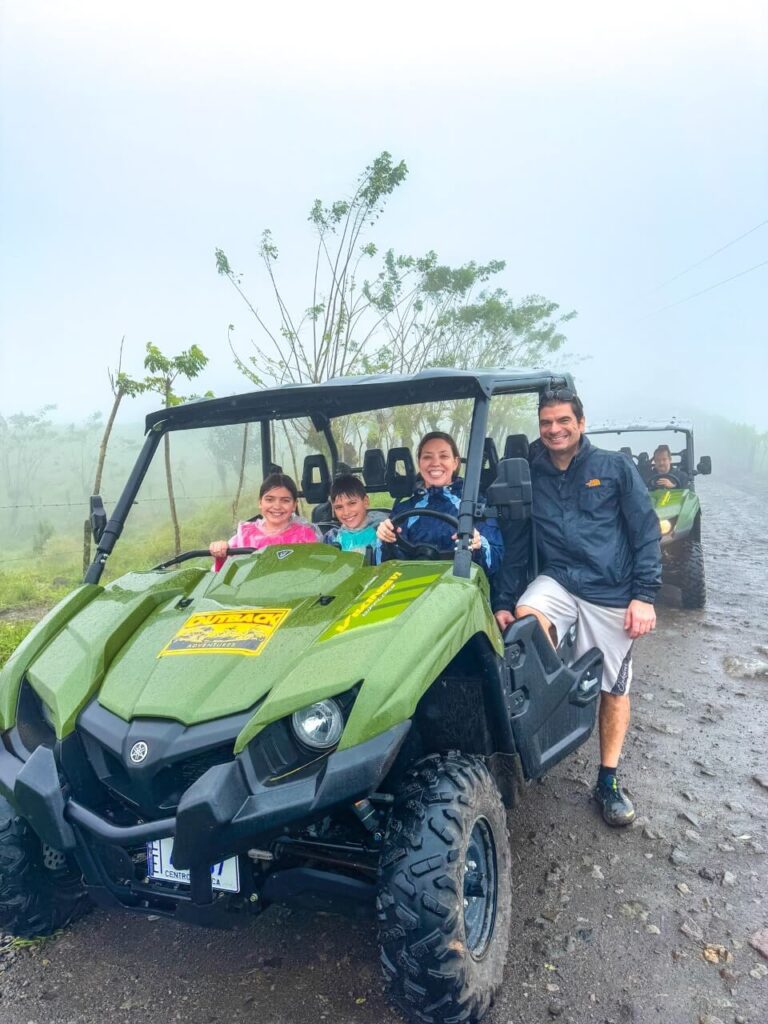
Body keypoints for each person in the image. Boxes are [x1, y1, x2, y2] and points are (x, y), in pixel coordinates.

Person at [492, 389, 661, 826]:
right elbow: (516, 544)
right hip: (561, 580)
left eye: (563, 421)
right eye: (546, 422)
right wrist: (505, 601)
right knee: (527, 623)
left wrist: (644, 596)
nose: (554, 429)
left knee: (614, 688)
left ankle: (608, 780)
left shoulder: (614, 468)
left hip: (612, 590)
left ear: (581, 423)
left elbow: (645, 532)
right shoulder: (531, 473)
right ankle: (556, 718)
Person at [375, 431, 503, 575]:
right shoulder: (402, 510)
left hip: (460, 586)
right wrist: (384, 540)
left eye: (443, 456)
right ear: (419, 463)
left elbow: (495, 563)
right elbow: (384, 567)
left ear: (455, 463)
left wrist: (479, 546)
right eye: (427, 457)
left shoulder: (476, 505)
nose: (435, 463)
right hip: (410, 587)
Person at [209, 472, 320, 571]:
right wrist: (221, 553)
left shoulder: (305, 535)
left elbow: (315, 571)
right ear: (260, 502)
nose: (277, 506)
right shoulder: (244, 535)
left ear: (294, 505)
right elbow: (223, 576)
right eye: (269, 499)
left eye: (285, 501)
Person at [323, 474, 387, 553]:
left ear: (365, 502)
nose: (346, 512)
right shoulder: (332, 538)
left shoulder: (384, 531)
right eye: (339, 507)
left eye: (352, 503)